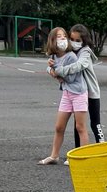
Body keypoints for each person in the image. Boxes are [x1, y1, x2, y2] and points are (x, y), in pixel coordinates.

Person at [38, 26, 90, 164]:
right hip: (67, 93)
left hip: (78, 93)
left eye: (63, 36)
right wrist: (52, 71)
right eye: (58, 36)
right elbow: (50, 68)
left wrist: (58, 74)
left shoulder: (71, 56)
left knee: (80, 127)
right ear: (52, 40)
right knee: (59, 127)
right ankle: (54, 156)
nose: (62, 39)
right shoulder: (54, 56)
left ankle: (84, 156)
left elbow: (72, 79)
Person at [57, 23, 105, 149]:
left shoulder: (85, 52)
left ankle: (102, 147)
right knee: (78, 124)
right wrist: (51, 69)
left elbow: (79, 66)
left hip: (91, 92)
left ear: (84, 40)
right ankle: (78, 150)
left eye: (77, 40)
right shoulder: (68, 52)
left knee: (95, 123)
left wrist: (60, 70)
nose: (74, 42)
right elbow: (55, 60)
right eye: (72, 39)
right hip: (77, 93)